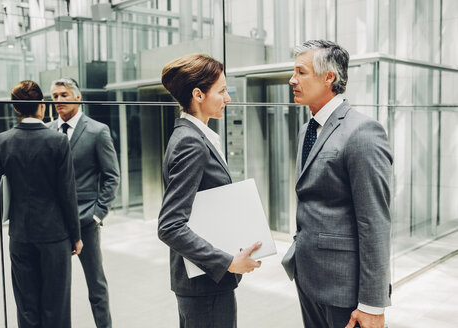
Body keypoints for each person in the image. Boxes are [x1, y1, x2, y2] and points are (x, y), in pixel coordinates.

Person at [285, 40, 392, 328]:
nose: (292, 79)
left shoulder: (362, 131)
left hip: (344, 289)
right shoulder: (306, 130)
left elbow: (375, 222)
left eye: (301, 72)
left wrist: (372, 303)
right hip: (308, 278)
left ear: (328, 77)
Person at [158, 53, 262, 328]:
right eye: (222, 91)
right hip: (205, 287)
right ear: (198, 95)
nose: (228, 98)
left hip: (203, 285)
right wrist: (228, 261)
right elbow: (169, 226)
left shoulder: (193, 136)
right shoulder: (190, 143)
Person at [0, 80, 82, 328]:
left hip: (20, 236)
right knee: (56, 308)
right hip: (54, 237)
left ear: (16, 109)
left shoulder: (2, 141)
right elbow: (67, 194)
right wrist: (76, 236)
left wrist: (9, 213)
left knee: (26, 307)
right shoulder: (58, 141)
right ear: (42, 106)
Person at [48, 77, 120, 328]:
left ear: (77, 97)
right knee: (55, 287)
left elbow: (112, 176)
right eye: (54, 96)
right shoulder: (46, 131)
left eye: (63, 95)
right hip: (53, 223)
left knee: (96, 285)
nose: (58, 101)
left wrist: (98, 214)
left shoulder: (97, 131)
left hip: (86, 221)